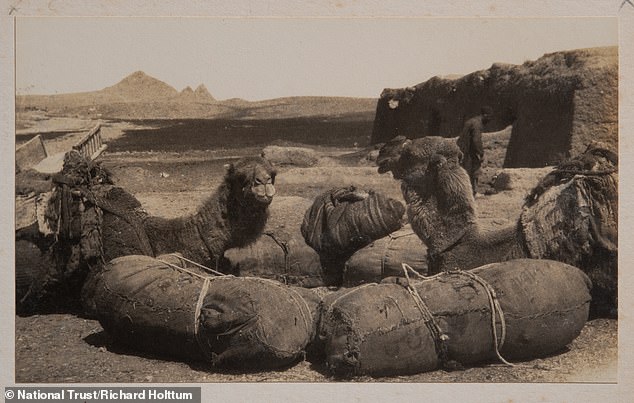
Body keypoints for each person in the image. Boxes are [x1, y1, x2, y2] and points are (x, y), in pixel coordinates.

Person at [457, 106, 492, 196]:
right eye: (489, 117)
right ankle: (473, 192)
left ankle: (470, 192)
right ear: (485, 115)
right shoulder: (477, 124)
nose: (490, 120)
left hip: (463, 149)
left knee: (466, 171)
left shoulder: (473, 121)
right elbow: (476, 140)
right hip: (467, 150)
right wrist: (481, 153)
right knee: (473, 170)